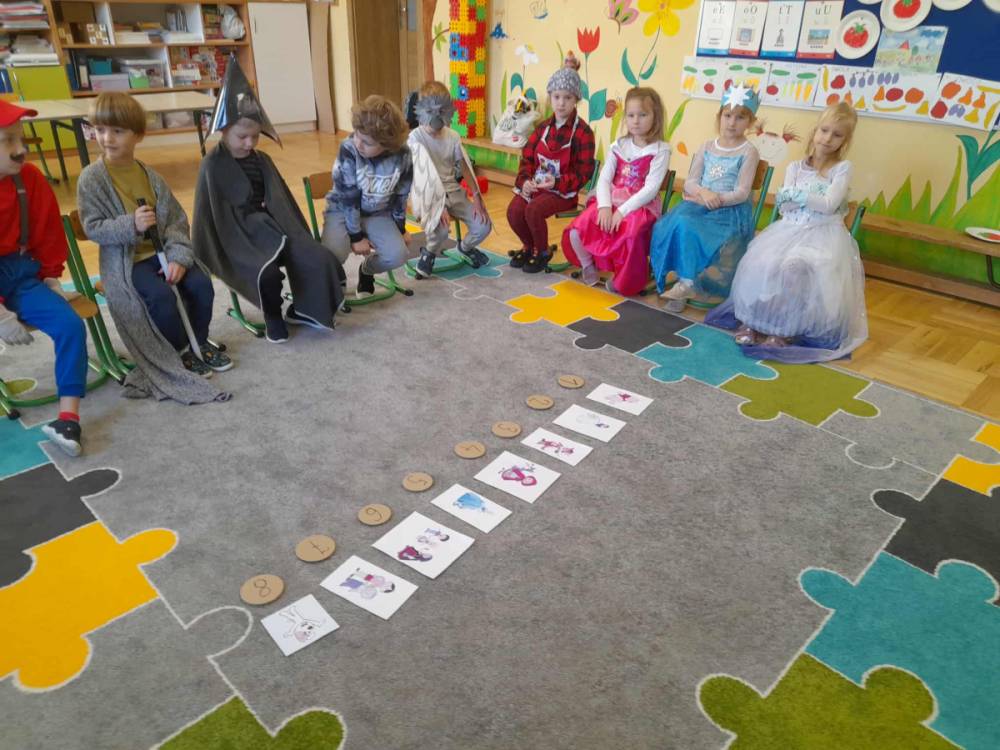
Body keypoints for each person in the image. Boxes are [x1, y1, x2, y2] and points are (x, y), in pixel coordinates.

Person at [77, 93, 233, 407]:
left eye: (117, 131)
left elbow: (176, 221)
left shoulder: (152, 177)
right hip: (127, 262)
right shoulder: (91, 179)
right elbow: (93, 227)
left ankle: (198, 341)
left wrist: (179, 258)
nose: (107, 138)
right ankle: (176, 350)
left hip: (164, 254)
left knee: (200, 284)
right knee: (160, 297)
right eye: (100, 129)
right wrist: (130, 224)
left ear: (138, 135)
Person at [193, 58, 345, 344]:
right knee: (267, 273)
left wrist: (274, 215)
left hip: (274, 226)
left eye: (254, 137)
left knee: (317, 256)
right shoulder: (211, 165)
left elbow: (280, 199)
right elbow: (208, 214)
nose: (249, 143)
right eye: (242, 137)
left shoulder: (261, 160)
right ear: (223, 130)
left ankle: (304, 309)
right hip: (237, 235)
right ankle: (273, 315)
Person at [706, 103, 867, 363]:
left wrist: (799, 196)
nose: (827, 138)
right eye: (824, 130)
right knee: (762, 261)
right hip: (790, 228)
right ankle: (754, 321)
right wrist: (796, 198)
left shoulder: (842, 169)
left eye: (837, 135)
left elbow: (828, 205)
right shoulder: (795, 167)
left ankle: (784, 329)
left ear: (844, 140)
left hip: (822, 235)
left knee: (794, 266)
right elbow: (785, 206)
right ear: (815, 131)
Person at [0, 99, 87, 454]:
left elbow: (48, 232)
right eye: (7, 140)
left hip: (19, 274)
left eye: (20, 137)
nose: (20, 149)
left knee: (70, 325)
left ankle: (68, 418)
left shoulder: (30, 179)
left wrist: (51, 277)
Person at [649, 83, 761, 312]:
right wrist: (704, 193)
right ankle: (685, 279)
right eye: (727, 115)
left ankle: (686, 283)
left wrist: (716, 199)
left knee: (688, 226)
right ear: (719, 117)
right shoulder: (707, 146)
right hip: (699, 204)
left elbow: (742, 192)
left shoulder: (749, 151)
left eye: (740, 117)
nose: (732, 122)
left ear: (750, 122)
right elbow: (690, 182)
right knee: (673, 223)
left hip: (728, 212)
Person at [562, 86, 671, 295]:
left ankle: (623, 279)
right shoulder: (619, 145)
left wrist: (621, 212)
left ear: (655, 117)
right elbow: (604, 179)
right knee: (578, 229)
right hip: (611, 199)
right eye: (631, 115)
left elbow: (650, 189)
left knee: (630, 234)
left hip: (640, 206)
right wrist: (604, 207)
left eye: (643, 115)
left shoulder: (660, 150)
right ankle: (588, 264)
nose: (636, 121)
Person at [507, 52, 595, 273]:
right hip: (537, 187)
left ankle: (542, 252)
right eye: (556, 97)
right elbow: (527, 159)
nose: (561, 103)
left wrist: (556, 183)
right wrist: (525, 181)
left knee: (533, 210)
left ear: (576, 100)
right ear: (550, 97)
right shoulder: (543, 128)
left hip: (562, 193)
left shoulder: (583, 133)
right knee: (514, 211)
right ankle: (529, 247)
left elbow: (583, 173)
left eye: (567, 97)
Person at [322, 95, 413, 296]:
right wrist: (356, 237)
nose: (358, 144)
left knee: (398, 255)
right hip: (342, 210)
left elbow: (401, 196)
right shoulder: (349, 148)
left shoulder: (403, 155)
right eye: (357, 135)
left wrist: (400, 228)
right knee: (333, 253)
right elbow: (349, 199)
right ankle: (336, 278)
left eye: (367, 142)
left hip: (377, 213)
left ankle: (366, 270)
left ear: (387, 144)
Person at [407, 80, 491, 278]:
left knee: (483, 225)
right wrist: (437, 204)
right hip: (427, 192)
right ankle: (429, 252)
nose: (436, 119)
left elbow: (465, 167)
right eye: (430, 112)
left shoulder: (452, 136)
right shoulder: (415, 138)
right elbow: (419, 176)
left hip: (452, 190)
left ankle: (465, 247)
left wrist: (477, 196)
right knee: (442, 231)